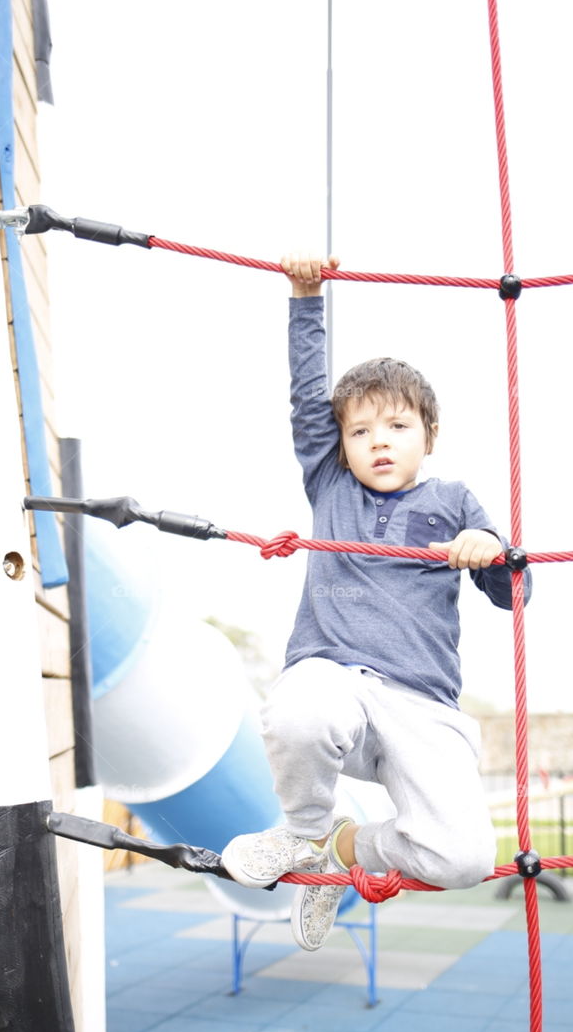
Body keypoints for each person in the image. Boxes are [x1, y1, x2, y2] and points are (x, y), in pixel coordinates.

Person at [221, 252, 532, 951]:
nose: (376, 442)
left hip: (421, 702)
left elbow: (515, 595)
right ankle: (302, 833)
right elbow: (307, 400)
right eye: (359, 431)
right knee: (298, 709)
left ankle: (344, 849)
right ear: (341, 446)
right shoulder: (332, 487)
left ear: (428, 435)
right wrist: (306, 297)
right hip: (335, 680)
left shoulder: (451, 501)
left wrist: (487, 546)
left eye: (394, 426)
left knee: (462, 859)